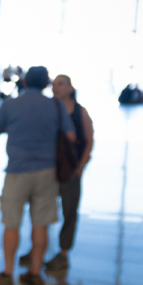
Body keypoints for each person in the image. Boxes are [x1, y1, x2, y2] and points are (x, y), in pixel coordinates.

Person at [0, 66, 75, 285]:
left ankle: (8, 273)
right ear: (46, 83)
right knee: (41, 224)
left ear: (25, 82)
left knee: (11, 223)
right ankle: (34, 273)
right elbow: (71, 135)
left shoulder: (10, 105)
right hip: (47, 172)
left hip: (17, 171)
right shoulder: (56, 106)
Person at [45, 74, 94, 272]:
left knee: (69, 211)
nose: (56, 87)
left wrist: (81, 166)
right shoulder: (48, 109)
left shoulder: (80, 112)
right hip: (48, 168)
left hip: (70, 169)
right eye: (54, 84)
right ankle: (39, 248)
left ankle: (63, 252)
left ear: (70, 88)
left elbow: (89, 140)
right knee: (43, 209)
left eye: (61, 84)